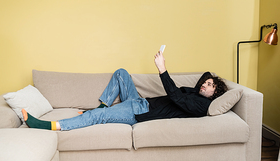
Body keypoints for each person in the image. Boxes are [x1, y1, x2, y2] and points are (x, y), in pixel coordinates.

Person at [22, 51, 228, 131]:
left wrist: (162, 68)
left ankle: (51, 125)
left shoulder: (202, 105)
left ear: (215, 95)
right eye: (206, 82)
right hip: (139, 101)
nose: (205, 85)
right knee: (122, 73)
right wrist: (206, 81)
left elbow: (174, 95)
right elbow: (199, 81)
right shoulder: (194, 94)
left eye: (211, 86)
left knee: (98, 116)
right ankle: (103, 103)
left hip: (139, 112)